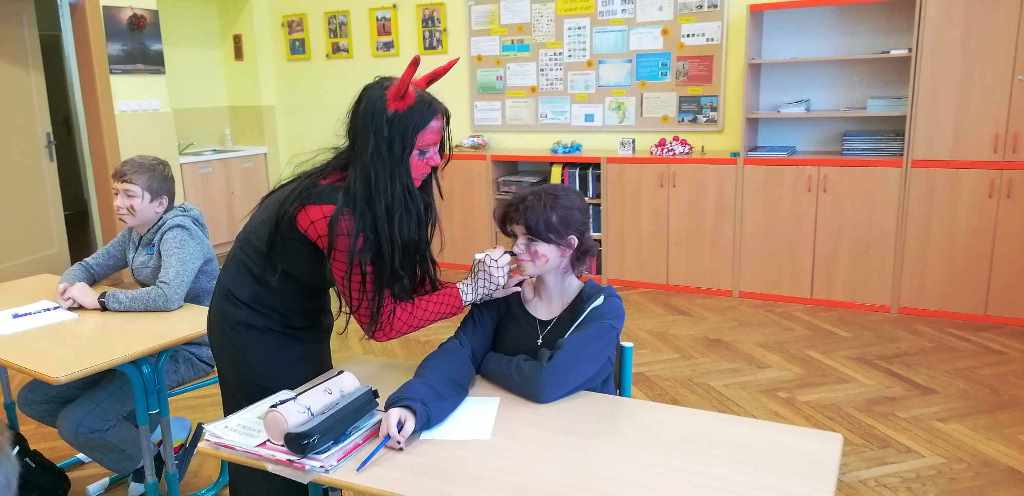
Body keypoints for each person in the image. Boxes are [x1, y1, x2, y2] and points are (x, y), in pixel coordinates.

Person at [206, 55, 515, 495]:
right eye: (422, 151)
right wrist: (470, 290)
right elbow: (383, 323)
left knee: (315, 423)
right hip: (250, 327)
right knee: (274, 444)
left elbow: (400, 283)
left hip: (301, 316)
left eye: (436, 149)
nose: (435, 162)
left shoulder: (379, 188)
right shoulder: (332, 211)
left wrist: (472, 286)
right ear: (385, 149)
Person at [17, 155, 219, 489]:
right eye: (115, 193)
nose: (118, 203)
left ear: (159, 203)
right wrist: (69, 286)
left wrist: (100, 300)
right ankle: (154, 440)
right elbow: (88, 267)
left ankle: (154, 461)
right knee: (35, 399)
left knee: (80, 424)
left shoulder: (180, 233)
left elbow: (167, 296)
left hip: (191, 348)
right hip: (148, 341)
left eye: (129, 194)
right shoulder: (135, 233)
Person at [380, 184, 626, 448]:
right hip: (511, 438)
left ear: (568, 247)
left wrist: (484, 359)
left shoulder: (602, 308)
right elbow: (459, 352)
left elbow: (546, 382)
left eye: (531, 239)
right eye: (516, 237)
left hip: (579, 442)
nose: (517, 248)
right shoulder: (505, 293)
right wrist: (413, 405)